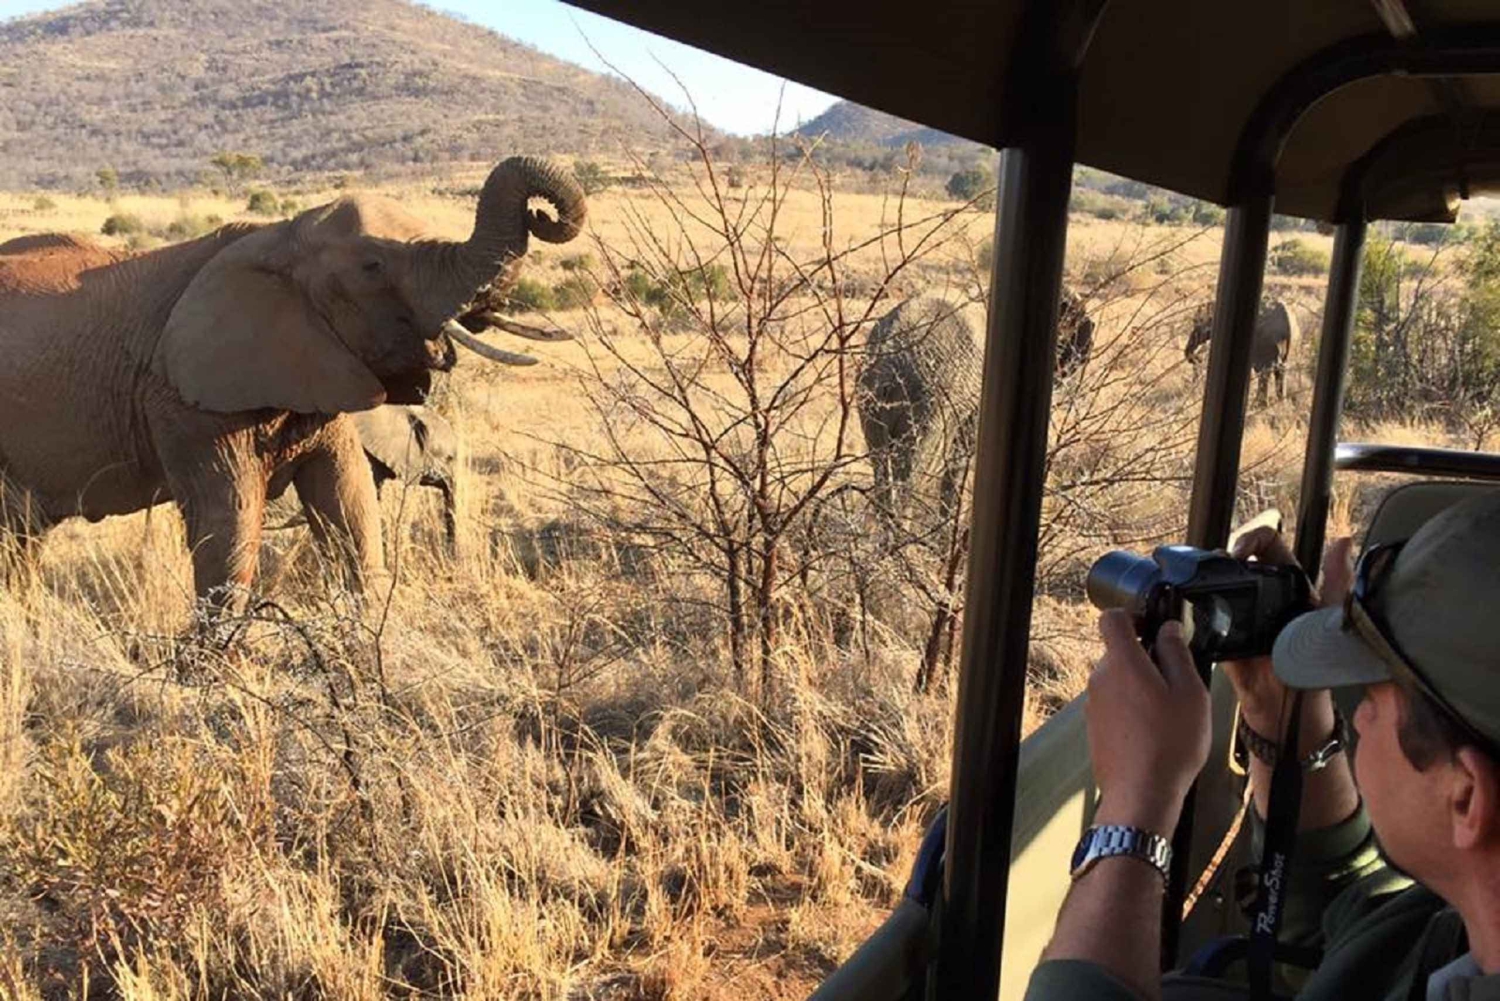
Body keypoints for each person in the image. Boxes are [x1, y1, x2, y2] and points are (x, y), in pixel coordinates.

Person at [1025, 488, 1500, 1001]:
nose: (1359, 716)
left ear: (1466, 796)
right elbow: (1346, 946)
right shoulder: (1457, 932)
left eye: (1376, 697)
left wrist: (1134, 805)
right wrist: (1283, 718)